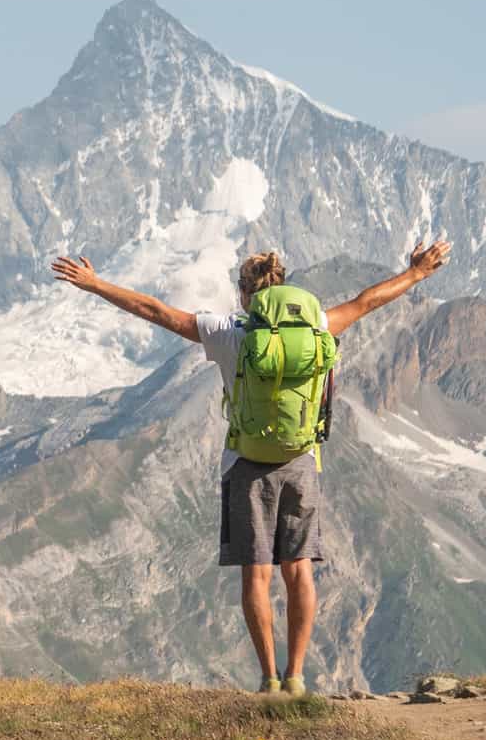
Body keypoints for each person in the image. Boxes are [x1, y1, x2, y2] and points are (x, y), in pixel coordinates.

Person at [50, 239, 453, 695]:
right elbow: (366, 302)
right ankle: (298, 677)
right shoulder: (317, 325)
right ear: (283, 289)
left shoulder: (228, 330)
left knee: (256, 574)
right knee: (299, 569)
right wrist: (417, 273)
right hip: (302, 460)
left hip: (247, 465)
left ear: (245, 293)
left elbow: (157, 311)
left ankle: (269, 679)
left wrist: (95, 284)